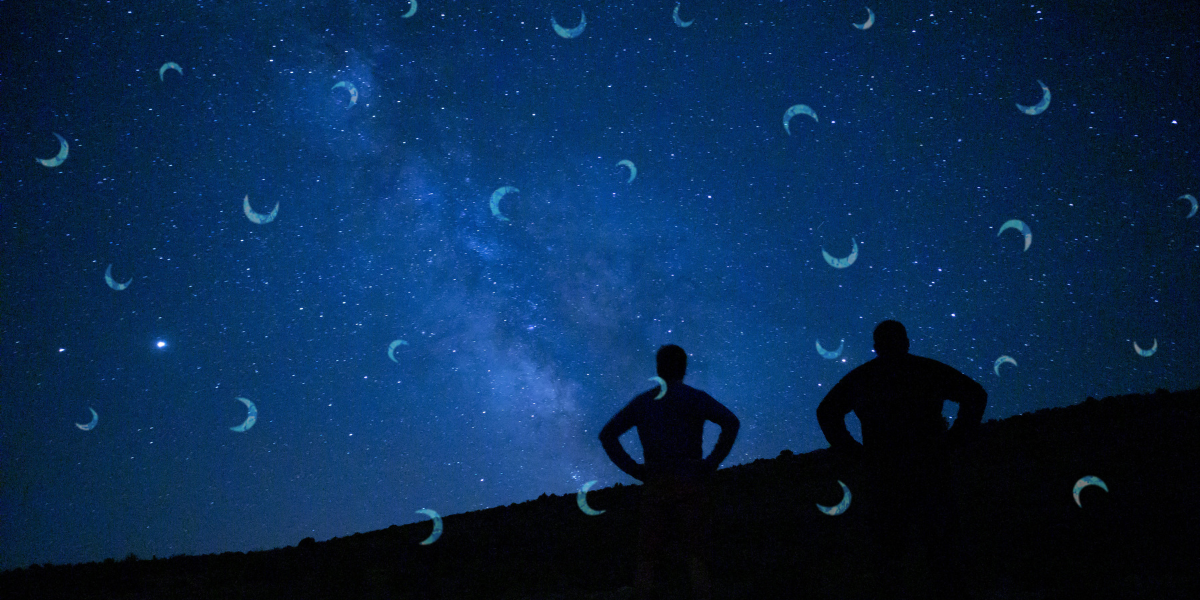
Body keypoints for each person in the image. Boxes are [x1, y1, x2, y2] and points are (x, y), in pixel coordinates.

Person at [816, 320, 986, 600]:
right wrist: (955, 440)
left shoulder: (863, 378)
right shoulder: (926, 370)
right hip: (929, 469)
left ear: (876, 346)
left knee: (890, 555)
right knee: (941, 551)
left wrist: (854, 452)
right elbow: (975, 395)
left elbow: (827, 412)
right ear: (906, 342)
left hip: (885, 474)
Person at [599, 344, 740, 600]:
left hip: (656, 482)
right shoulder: (694, 397)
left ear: (659, 368)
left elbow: (607, 435)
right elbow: (731, 422)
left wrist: (634, 470)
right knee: (696, 553)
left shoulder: (643, 403)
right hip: (690, 479)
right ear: (684, 368)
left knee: (648, 555)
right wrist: (711, 462)